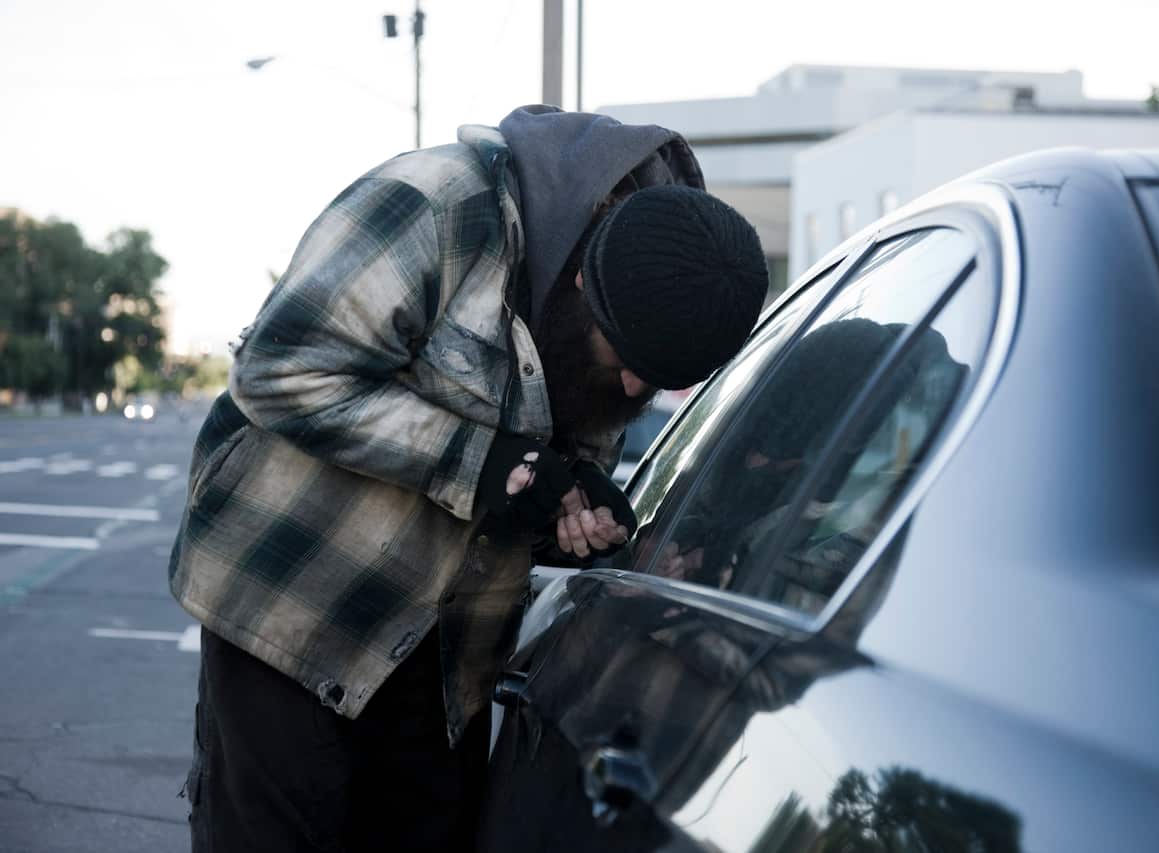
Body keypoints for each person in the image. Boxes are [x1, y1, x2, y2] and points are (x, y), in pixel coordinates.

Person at [168, 104, 769, 852]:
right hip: (295, 612)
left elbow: (536, 474)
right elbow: (281, 368)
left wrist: (568, 516)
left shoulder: (651, 295)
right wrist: (486, 463)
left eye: (655, 382)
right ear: (584, 277)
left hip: (450, 659)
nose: (633, 383)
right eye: (624, 358)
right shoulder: (434, 205)